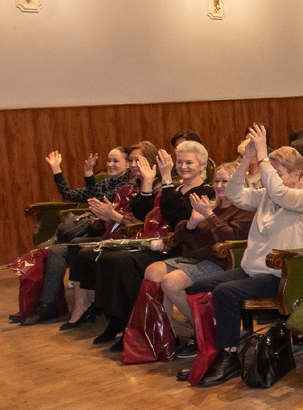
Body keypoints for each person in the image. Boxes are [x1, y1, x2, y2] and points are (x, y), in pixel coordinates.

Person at [190, 125, 303, 386]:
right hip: (252, 270)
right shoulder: (266, 196)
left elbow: (280, 193)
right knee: (199, 287)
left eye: (277, 173)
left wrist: (262, 154)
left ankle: (229, 356)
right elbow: (234, 194)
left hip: (280, 274)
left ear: (297, 173)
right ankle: (212, 348)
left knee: (225, 293)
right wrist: (246, 160)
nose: (268, 178)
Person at [80, 140, 214, 350]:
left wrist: (166, 178)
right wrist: (148, 183)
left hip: (179, 248)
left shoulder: (205, 191)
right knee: (107, 257)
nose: (183, 166)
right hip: (158, 244)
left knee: (124, 262)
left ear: (202, 166)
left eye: (189, 162)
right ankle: (119, 320)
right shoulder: (176, 188)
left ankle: (130, 323)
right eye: (180, 162)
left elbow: (176, 214)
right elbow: (143, 212)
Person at [142, 161, 253, 353]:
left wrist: (209, 216)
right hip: (194, 259)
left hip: (221, 262)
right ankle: (169, 337)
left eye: (225, 181)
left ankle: (202, 331)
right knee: (152, 272)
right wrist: (192, 223)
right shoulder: (210, 206)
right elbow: (183, 237)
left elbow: (230, 237)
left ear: (238, 184)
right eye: (216, 181)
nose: (219, 185)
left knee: (171, 283)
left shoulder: (245, 210)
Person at [19, 147, 134, 326]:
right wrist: (56, 169)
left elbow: (98, 200)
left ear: (128, 164)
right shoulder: (105, 183)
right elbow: (68, 194)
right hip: (94, 233)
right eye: (109, 160)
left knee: (70, 246)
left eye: (116, 161)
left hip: (111, 235)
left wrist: (89, 175)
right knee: (56, 252)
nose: (110, 164)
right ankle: (46, 307)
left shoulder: (127, 185)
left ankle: (83, 305)